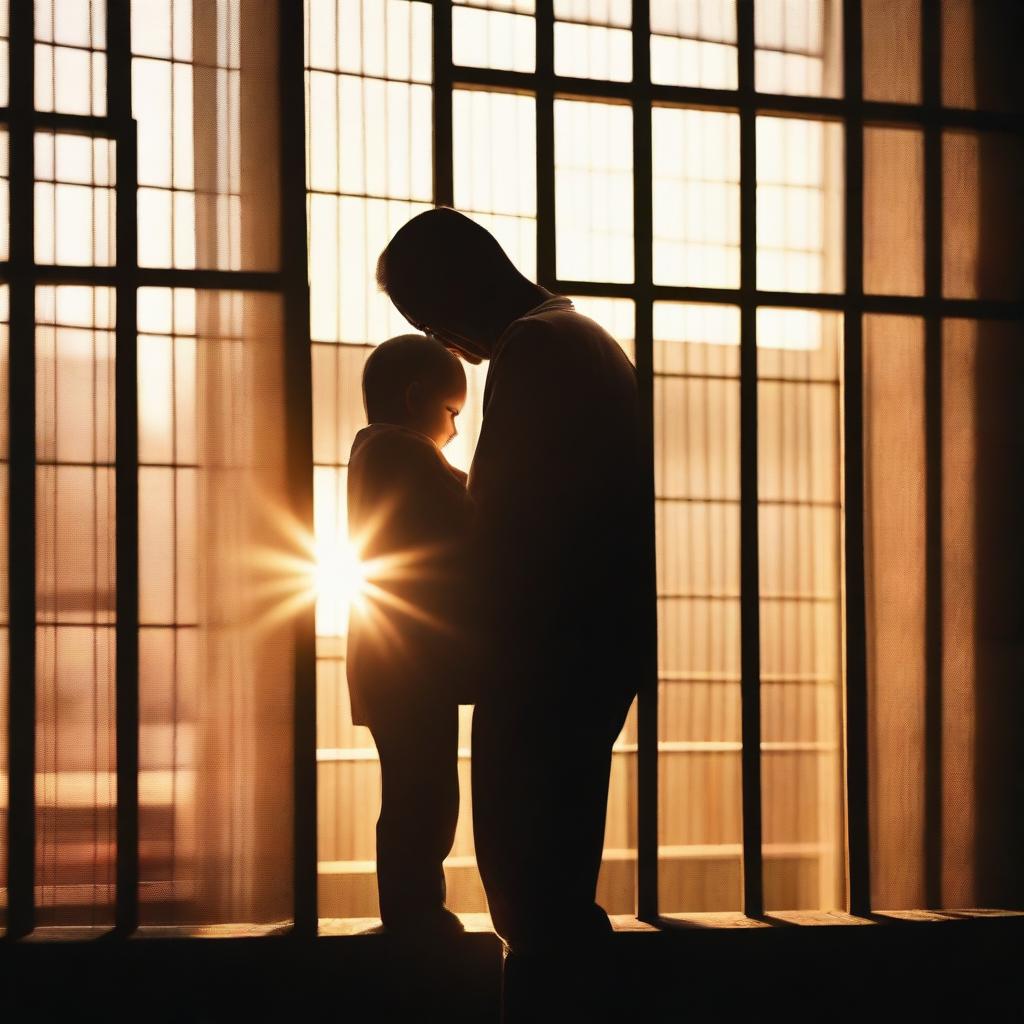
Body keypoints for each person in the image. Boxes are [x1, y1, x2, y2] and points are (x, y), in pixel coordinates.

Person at [376, 208, 647, 1014]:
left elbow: (508, 524)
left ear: (457, 288)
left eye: (429, 320)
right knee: (557, 891)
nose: (445, 344)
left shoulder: (534, 347)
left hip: (542, 661)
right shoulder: (586, 338)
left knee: (532, 904)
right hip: (588, 653)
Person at [345, 332, 476, 936]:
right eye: (452, 412)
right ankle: (413, 910)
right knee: (422, 795)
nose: (454, 429)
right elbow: (464, 509)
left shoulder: (376, 451)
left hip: (393, 659)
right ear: (416, 396)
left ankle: (412, 904)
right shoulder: (400, 451)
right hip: (406, 663)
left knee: (414, 789)